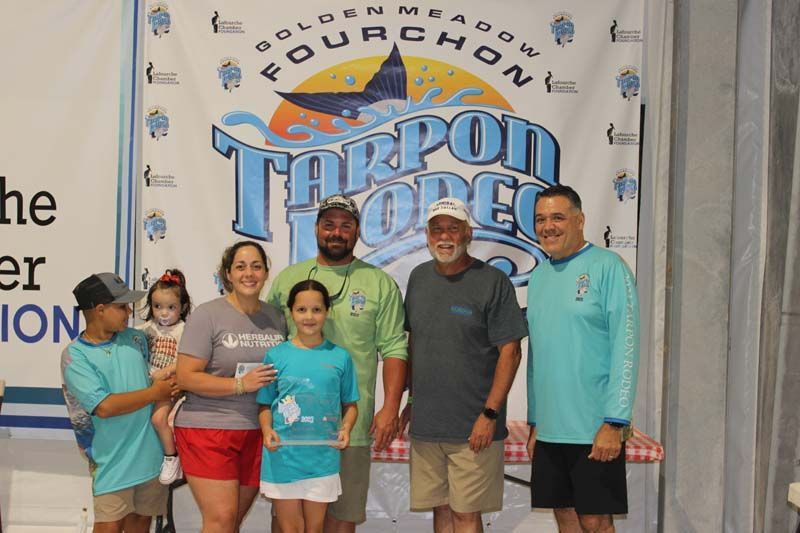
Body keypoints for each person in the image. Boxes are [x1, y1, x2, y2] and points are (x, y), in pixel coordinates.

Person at [267, 194, 407, 532]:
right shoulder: (288, 280)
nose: (336, 232)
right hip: (292, 427)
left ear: (357, 231)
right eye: (328, 225)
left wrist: (390, 408)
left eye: (345, 226)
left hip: (349, 427)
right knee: (288, 522)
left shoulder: (379, 283)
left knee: (342, 517)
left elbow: (394, 349)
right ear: (316, 229)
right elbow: (268, 345)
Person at [402, 198, 528, 533]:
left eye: (453, 228)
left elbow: (511, 351)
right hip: (428, 425)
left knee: (465, 515)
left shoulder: (492, 281)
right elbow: (415, 344)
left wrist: (489, 415)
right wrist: (411, 402)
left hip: (474, 427)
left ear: (468, 233)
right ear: (427, 235)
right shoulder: (418, 278)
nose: (445, 236)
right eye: (437, 228)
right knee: (442, 510)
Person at [526, 185, 640, 533]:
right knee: (564, 515)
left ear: (580, 220)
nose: (548, 226)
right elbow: (537, 354)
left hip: (595, 428)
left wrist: (615, 422)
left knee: (594, 520)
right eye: (540, 219)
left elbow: (627, 344)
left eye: (557, 217)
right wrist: (535, 422)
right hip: (550, 430)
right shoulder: (539, 276)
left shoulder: (608, 267)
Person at [175, 241, 287, 532]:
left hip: (257, 430)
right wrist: (239, 385)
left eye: (256, 266)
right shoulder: (207, 315)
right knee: (221, 519)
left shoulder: (276, 318)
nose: (248, 273)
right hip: (209, 427)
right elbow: (186, 377)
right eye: (240, 266)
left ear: (265, 273)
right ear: (228, 274)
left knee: (231, 521)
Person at [61, 272, 177, 532]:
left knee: (141, 525)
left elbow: (154, 377)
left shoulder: (136, 339)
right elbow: (105, 407)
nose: (129, 311)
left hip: (151, 459)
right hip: (110, 464)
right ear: (100, 310)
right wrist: (155, 392)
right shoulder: (74, 356)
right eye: (122, 306)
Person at [258, 280, 359, 533]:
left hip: (322, 458)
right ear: (291, 312)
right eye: (301, 310)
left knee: (315, 528)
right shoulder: (275, 356)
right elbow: (264, 404)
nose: (309, 317)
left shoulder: (340, 357)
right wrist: (267, 429)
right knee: (290, 528)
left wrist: (346, 429)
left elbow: (350, 405)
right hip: (283, 456)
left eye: (317, 309)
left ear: (327, 312)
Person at [137, 268, 192, 484]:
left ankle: (172, 458)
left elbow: (186, 359)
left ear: (183, 307)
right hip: (146, 386)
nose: (164, 313)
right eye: (157, 306)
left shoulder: (184, 330)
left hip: (168, 386)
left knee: (159, 419)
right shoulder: (146, 329)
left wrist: (166, 372)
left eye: (171, 307)